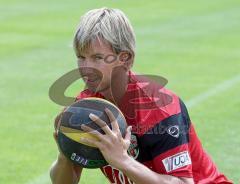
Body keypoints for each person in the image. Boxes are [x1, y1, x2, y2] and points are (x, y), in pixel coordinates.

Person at [49, 7, 232, 184]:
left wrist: (123, 161)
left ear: (125, 58)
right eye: (81, 57)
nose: (85, 67)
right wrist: (65, 153)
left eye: (97, 58)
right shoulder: (87, 105)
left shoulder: (160, 108)